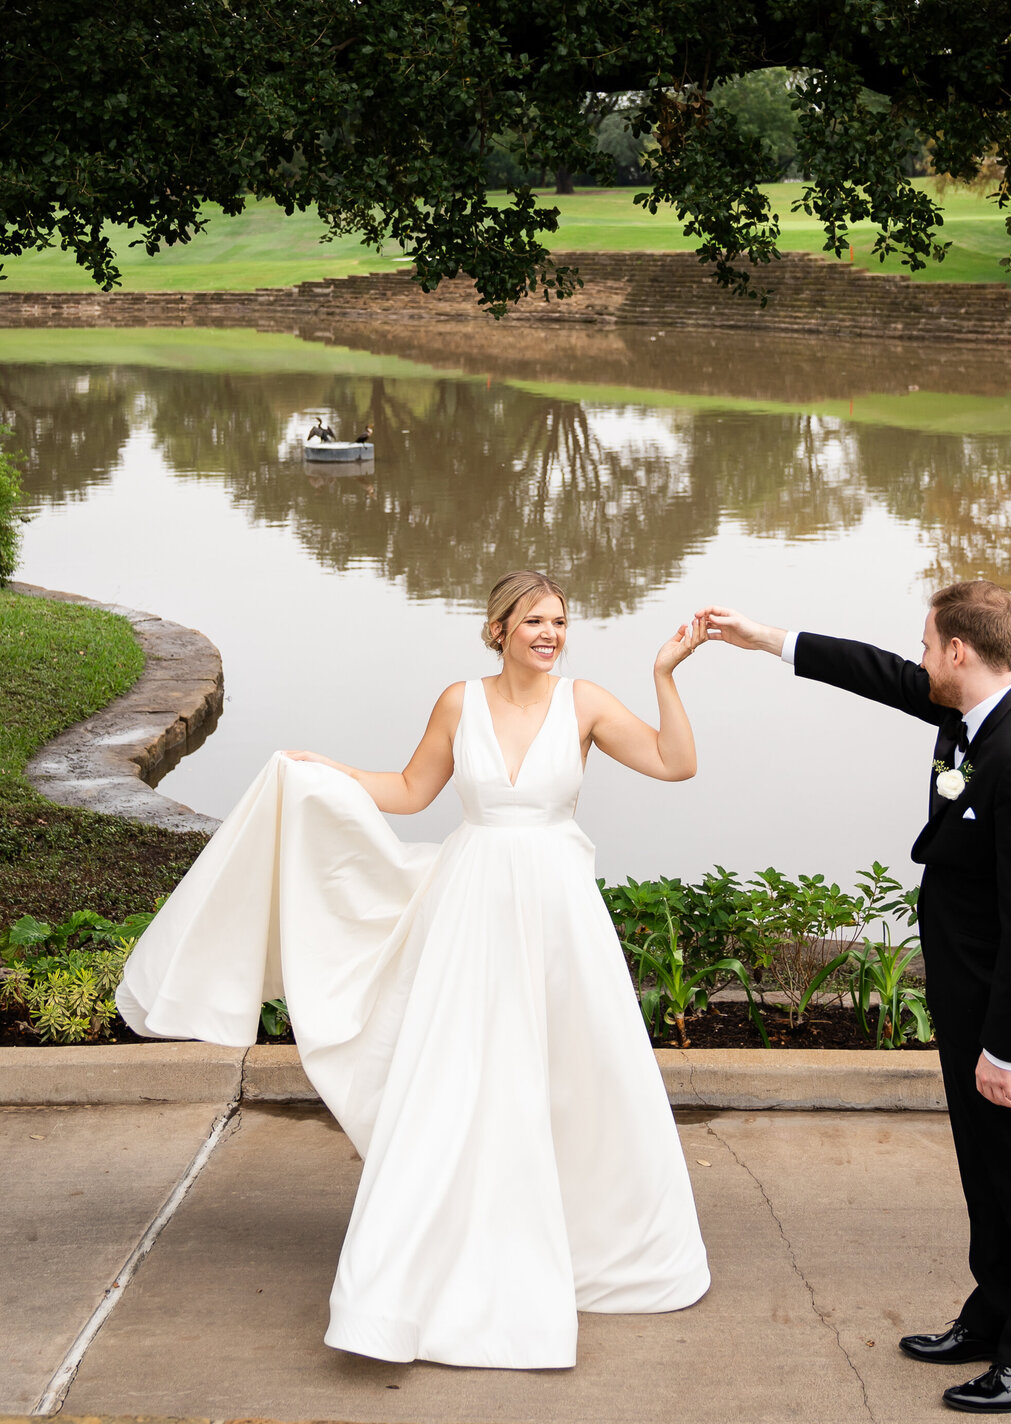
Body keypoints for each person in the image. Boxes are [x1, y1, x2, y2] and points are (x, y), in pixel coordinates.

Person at [118, 570, 710, 1370]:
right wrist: (323, 772)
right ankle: (435, 1265)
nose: (550, 634)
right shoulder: (459, 702)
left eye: (560, 622)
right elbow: (407, 789)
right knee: (461, 1081)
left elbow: (678, 765)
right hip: (469, 909)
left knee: (575, 1074)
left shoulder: (589, 705)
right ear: (498, 628)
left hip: (560, 915)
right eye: (534, 620)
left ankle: (585, 1242)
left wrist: (666, 674)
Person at [698, 581, 1011, 1416]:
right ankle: (994, 1316)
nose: (917, 659)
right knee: (987, 1171)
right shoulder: (988, 703)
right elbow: (882, 675)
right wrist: (769, 639)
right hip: (972, 994)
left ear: (957, 652)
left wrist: (1006, 1048)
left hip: (1008, 1013)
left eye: (925, 645)